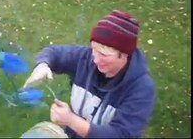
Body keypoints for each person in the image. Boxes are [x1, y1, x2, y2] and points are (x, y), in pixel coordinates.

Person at [23, 10, 156, 138]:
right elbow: (54, 53)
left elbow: (121, 134)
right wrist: (43, 65)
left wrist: (71, 120)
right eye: (94, 50)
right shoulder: (85, 58)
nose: (95, 60)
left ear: (124, 55)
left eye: (104, 54)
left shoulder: (141, 89)